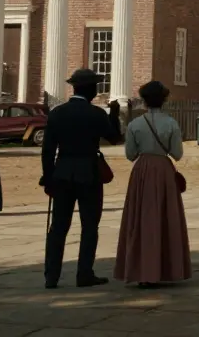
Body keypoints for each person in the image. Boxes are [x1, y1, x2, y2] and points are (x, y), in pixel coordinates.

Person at [42, 69, 123, 289]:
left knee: (58, 226)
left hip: (63, 171)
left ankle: (52, 275)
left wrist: (48, 177)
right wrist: (114, 115)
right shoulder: (96, 114)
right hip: (89, 171)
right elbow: (115, 139)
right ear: (91, 90)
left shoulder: (57, 113)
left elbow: (48, 150)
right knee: (89, 226)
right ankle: (84, 273)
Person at [115, 81, 191, 288]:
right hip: (164, 170)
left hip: (142, 170)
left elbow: (130, 154)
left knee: (141, 218)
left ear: (144, 100)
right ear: (164, 100)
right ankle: (164, 267)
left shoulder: (135, 124)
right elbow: (177, 154)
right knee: (166, 217)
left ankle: (141, 269)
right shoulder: (171, 123)